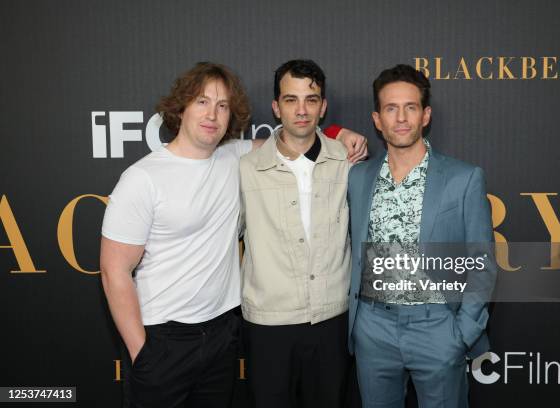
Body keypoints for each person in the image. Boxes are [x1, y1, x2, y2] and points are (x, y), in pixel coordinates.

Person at [99, 61, 366, 408]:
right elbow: (113, 270)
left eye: (222, 105)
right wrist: (143, 353)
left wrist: (337, 133)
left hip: (222, 337)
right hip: (163, 336)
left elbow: (293, 139)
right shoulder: (143, 178)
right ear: (181, 107)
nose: (212, 114)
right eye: (202, 102)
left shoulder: (233, 157)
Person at [347, 64, 496, 408]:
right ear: (377, 118)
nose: (401, 118)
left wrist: (461, 334)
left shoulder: (463, 177)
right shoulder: (359, 177)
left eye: (410, 107)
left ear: (425, 115)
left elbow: (482, 262)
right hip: (373, 327)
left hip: (437, 327)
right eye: (391, 108)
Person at [239, 59, 354, 408]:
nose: (301, 110)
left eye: (311, 99)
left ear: (324, 106)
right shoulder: (245, 168)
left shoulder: (348, 162)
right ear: (276, 107)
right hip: (268, 324)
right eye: (291, 100)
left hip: (332, 318)